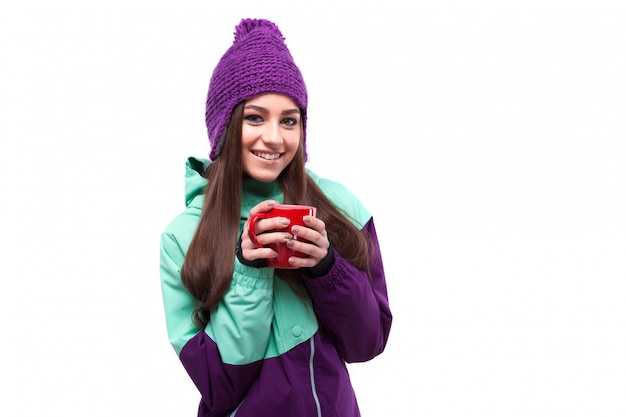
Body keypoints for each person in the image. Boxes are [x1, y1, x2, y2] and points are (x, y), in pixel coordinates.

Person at [159, 17, 392, 417]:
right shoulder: (183, 237)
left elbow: (368, 343)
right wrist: (248, 270)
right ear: (225, 126)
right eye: (255, 117)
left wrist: (327, 268)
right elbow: (218, 385)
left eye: (289, 120)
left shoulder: (342, 208)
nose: (275, 137)